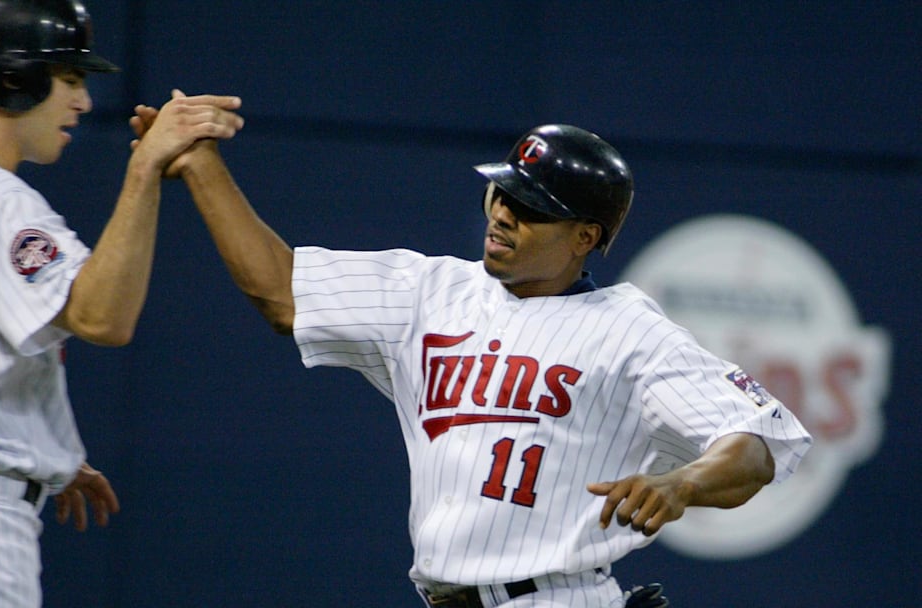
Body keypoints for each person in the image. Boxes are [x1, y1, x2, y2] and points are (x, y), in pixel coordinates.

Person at [147, 115, 811, 607]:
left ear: (585, 237)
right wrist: (201, 166)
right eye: (503, 193)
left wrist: (683, 485)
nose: (503, 213)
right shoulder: (427, 293)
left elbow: (756, 446)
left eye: (531, 209)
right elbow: (282, 294)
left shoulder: (629, 331)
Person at [0, 1, 243, 606]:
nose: (82, 102)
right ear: (13, 75)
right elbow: (102, 318)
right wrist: (146, 170)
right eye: (71, 79)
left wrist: (22, 440)